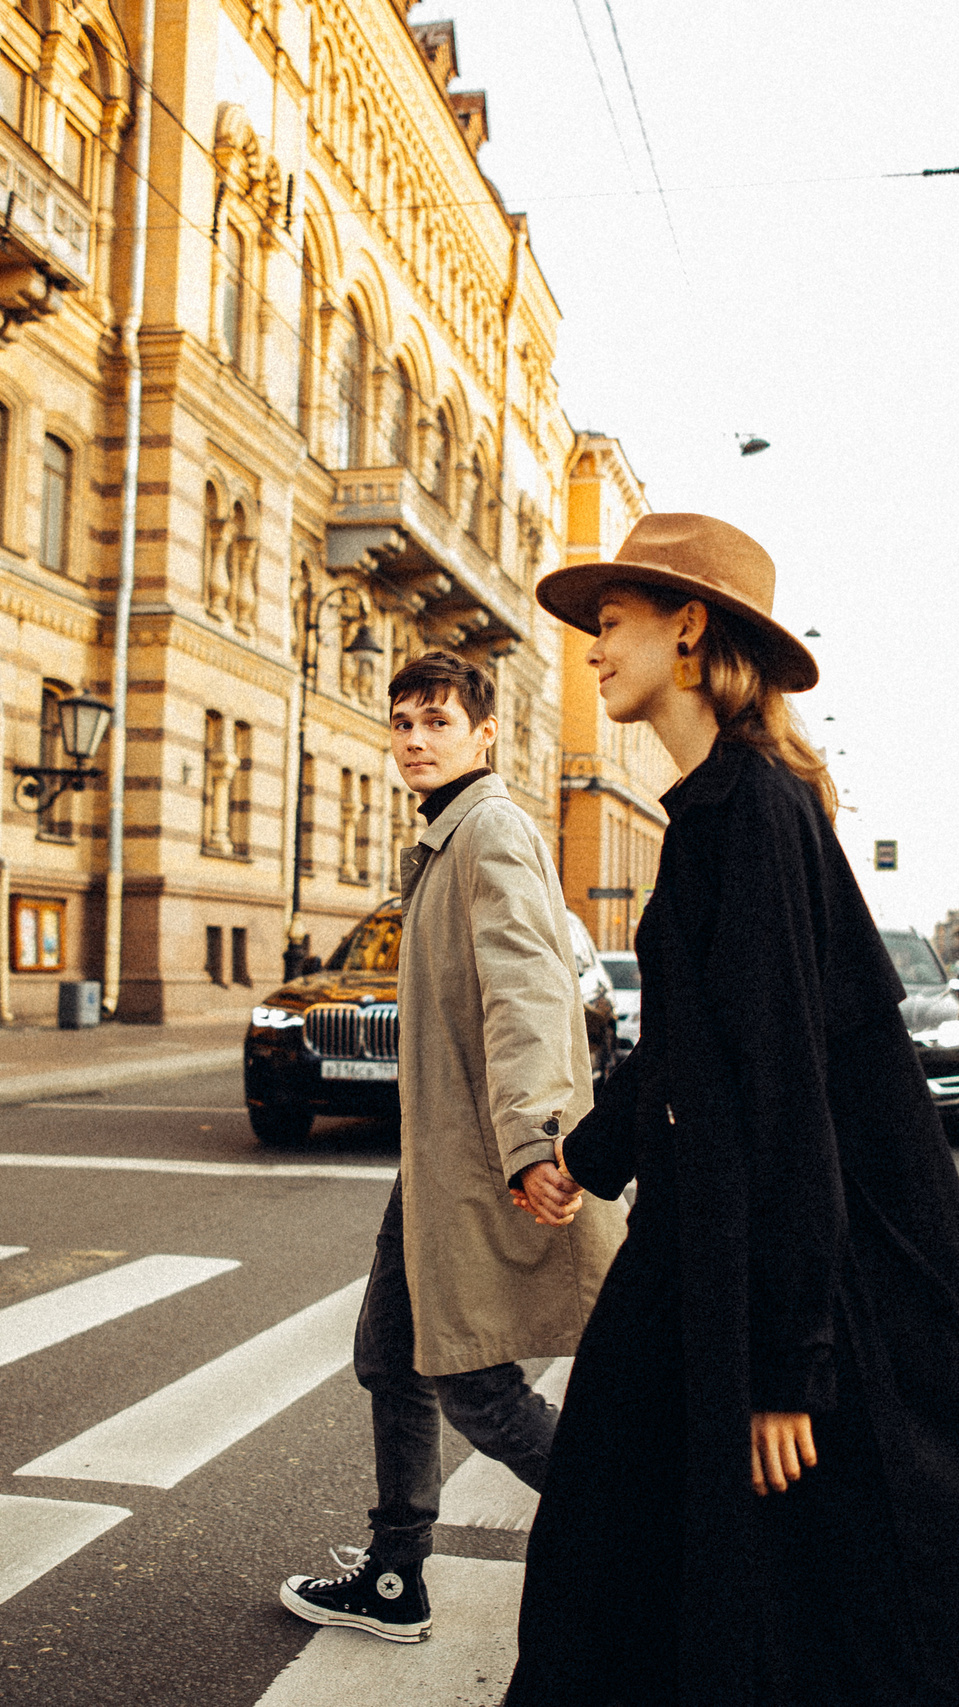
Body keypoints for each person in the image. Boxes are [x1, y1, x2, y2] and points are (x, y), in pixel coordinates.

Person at [508, 515, 959, 1706]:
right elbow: (689, 1053)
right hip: (707, 1245)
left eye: (610, 626)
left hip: (779, 1267)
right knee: (639, 1556)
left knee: (781, 1586)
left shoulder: (748, 816)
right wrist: (585, 1156)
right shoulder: (721, 809)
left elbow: (788, 1102)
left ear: (689, 628)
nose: (592, 652)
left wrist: (788, 1365)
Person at [280, 648, 625, 1644]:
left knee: (470, 1378)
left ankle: (627, 1529)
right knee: (391, 1357)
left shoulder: (491, 833)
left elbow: (525, 988)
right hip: (436, 1161)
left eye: (436, 722)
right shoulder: (444, 841)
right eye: (402, 723)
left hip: (478, 1155)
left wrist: (528, 1138)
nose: (414, 740)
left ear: (484, 735)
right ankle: (396, 1576)